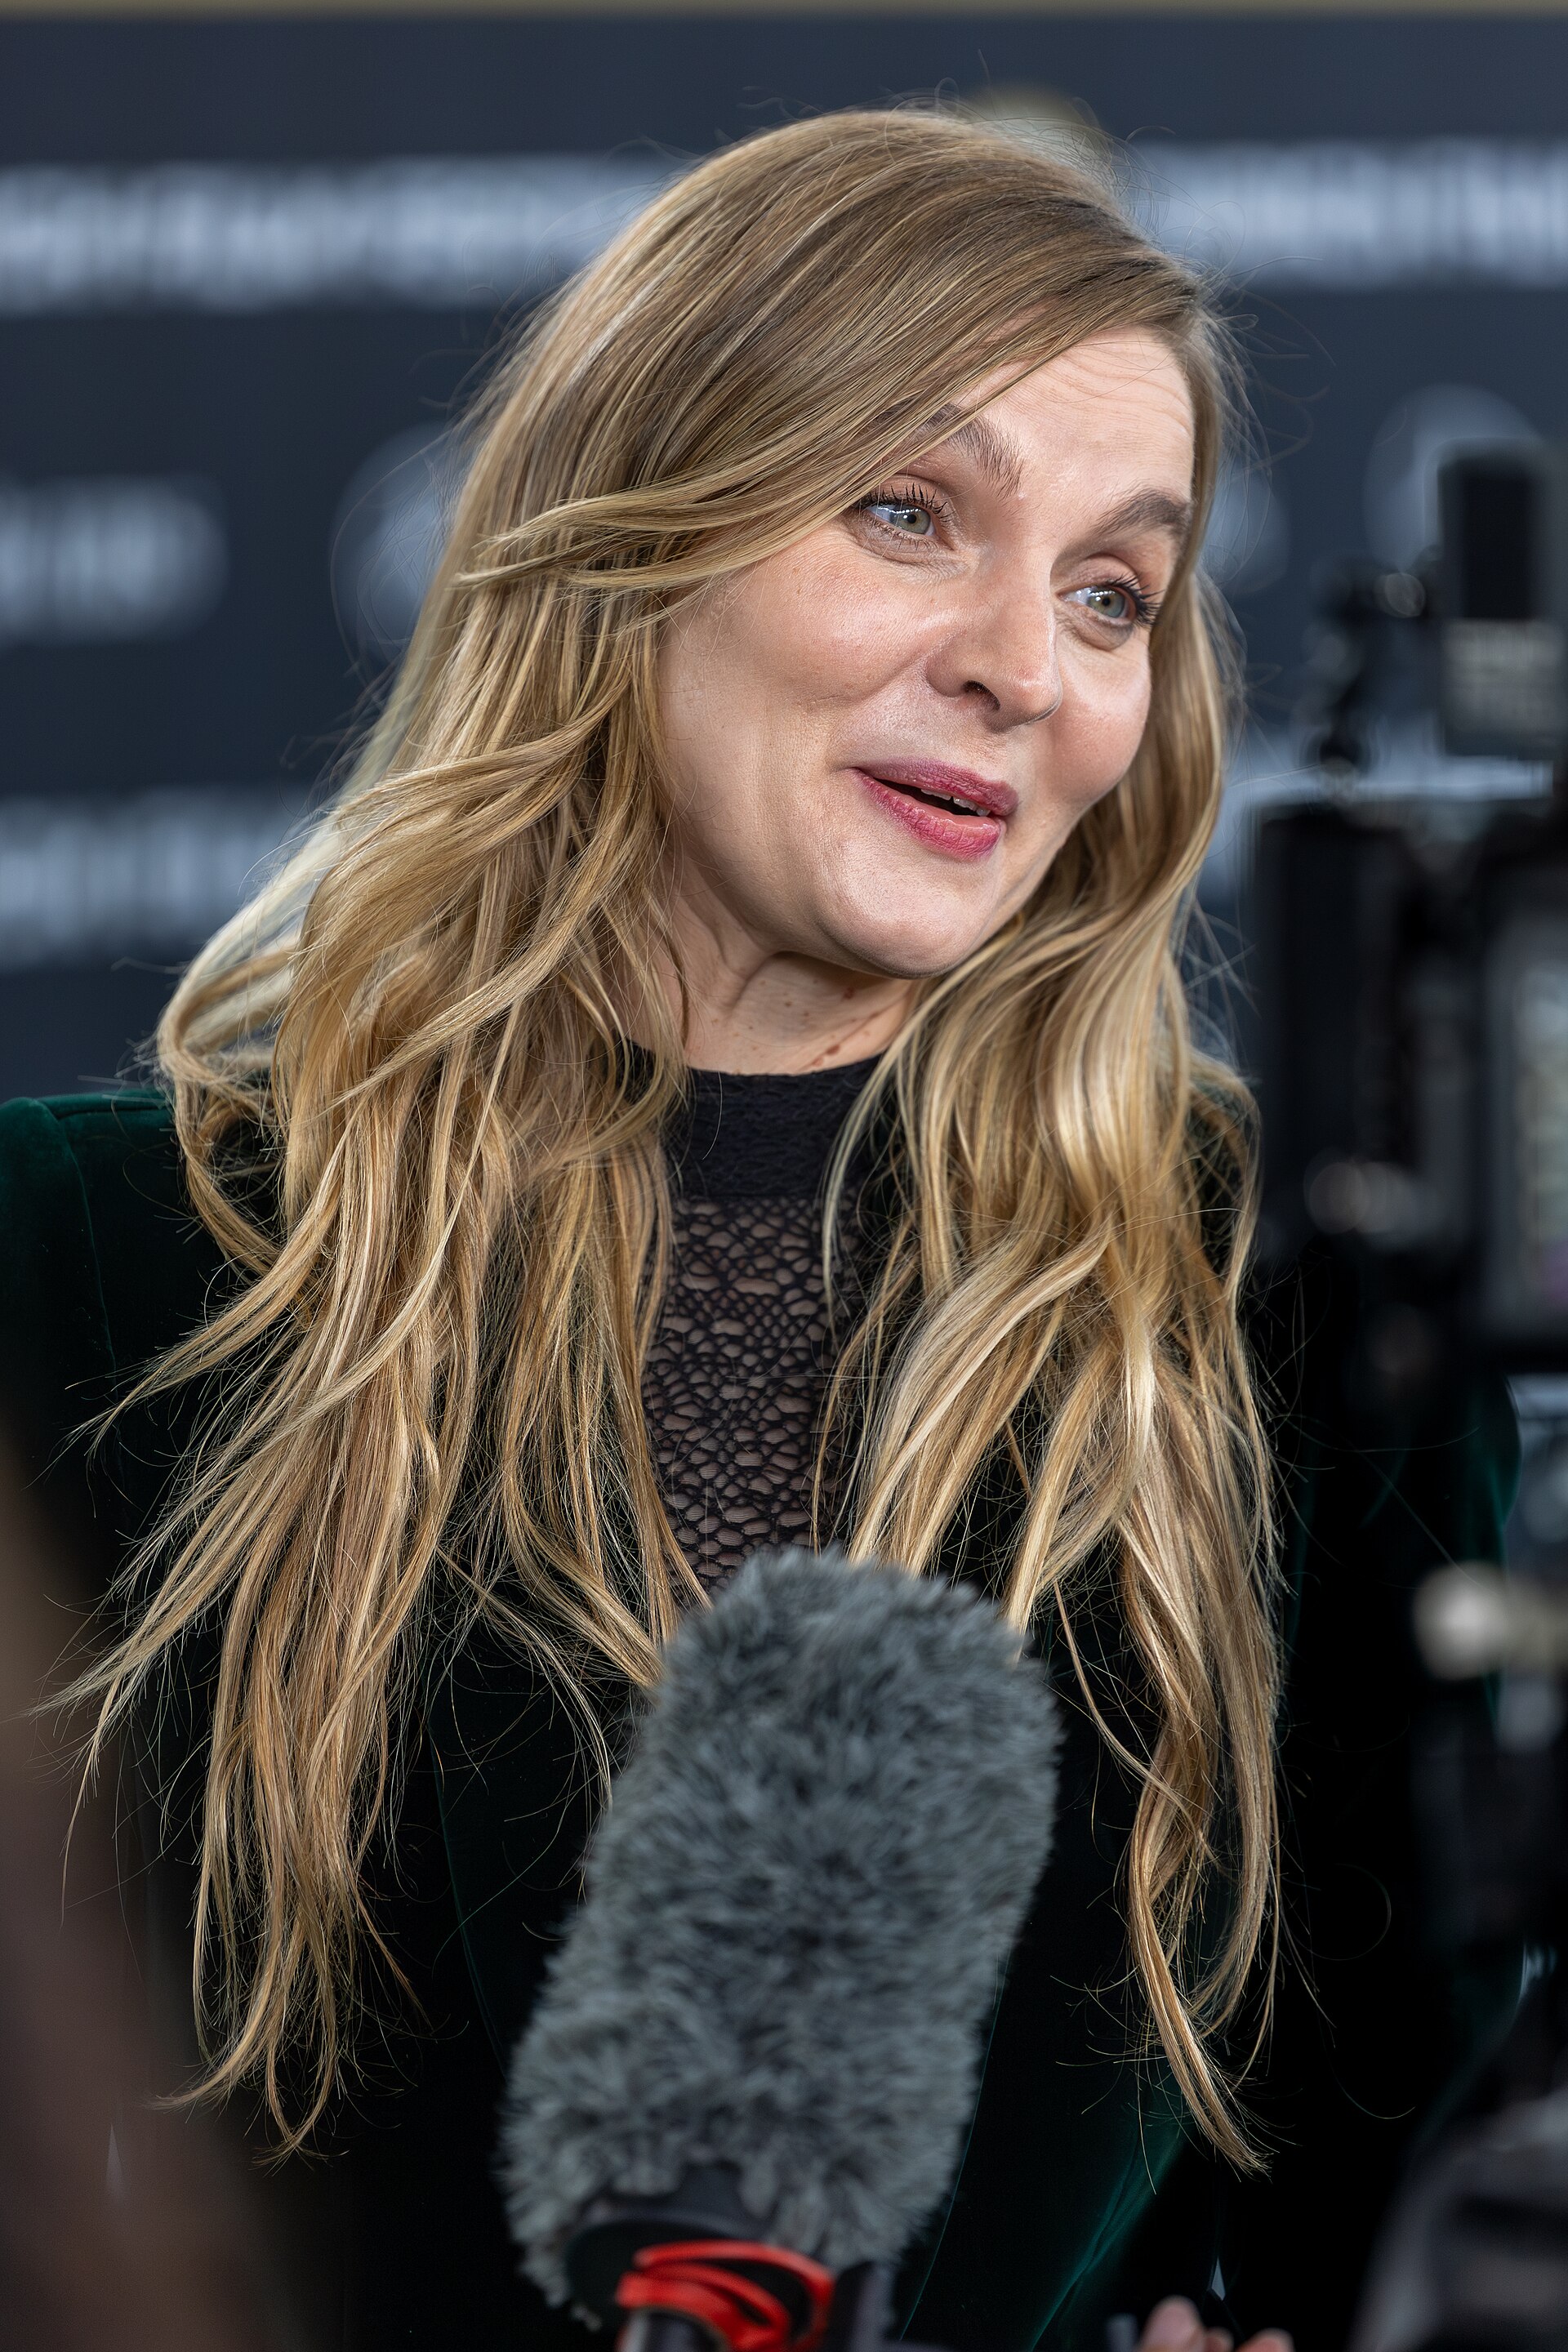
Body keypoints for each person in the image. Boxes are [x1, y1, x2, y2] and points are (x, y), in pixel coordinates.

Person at [0, 110, 1516, 2352]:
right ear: (637, 529)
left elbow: (1403, 2164)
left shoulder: (1279, 1296)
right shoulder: (87, 1258)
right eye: (910, 513)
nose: (1025, 666)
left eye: (1113, 592)